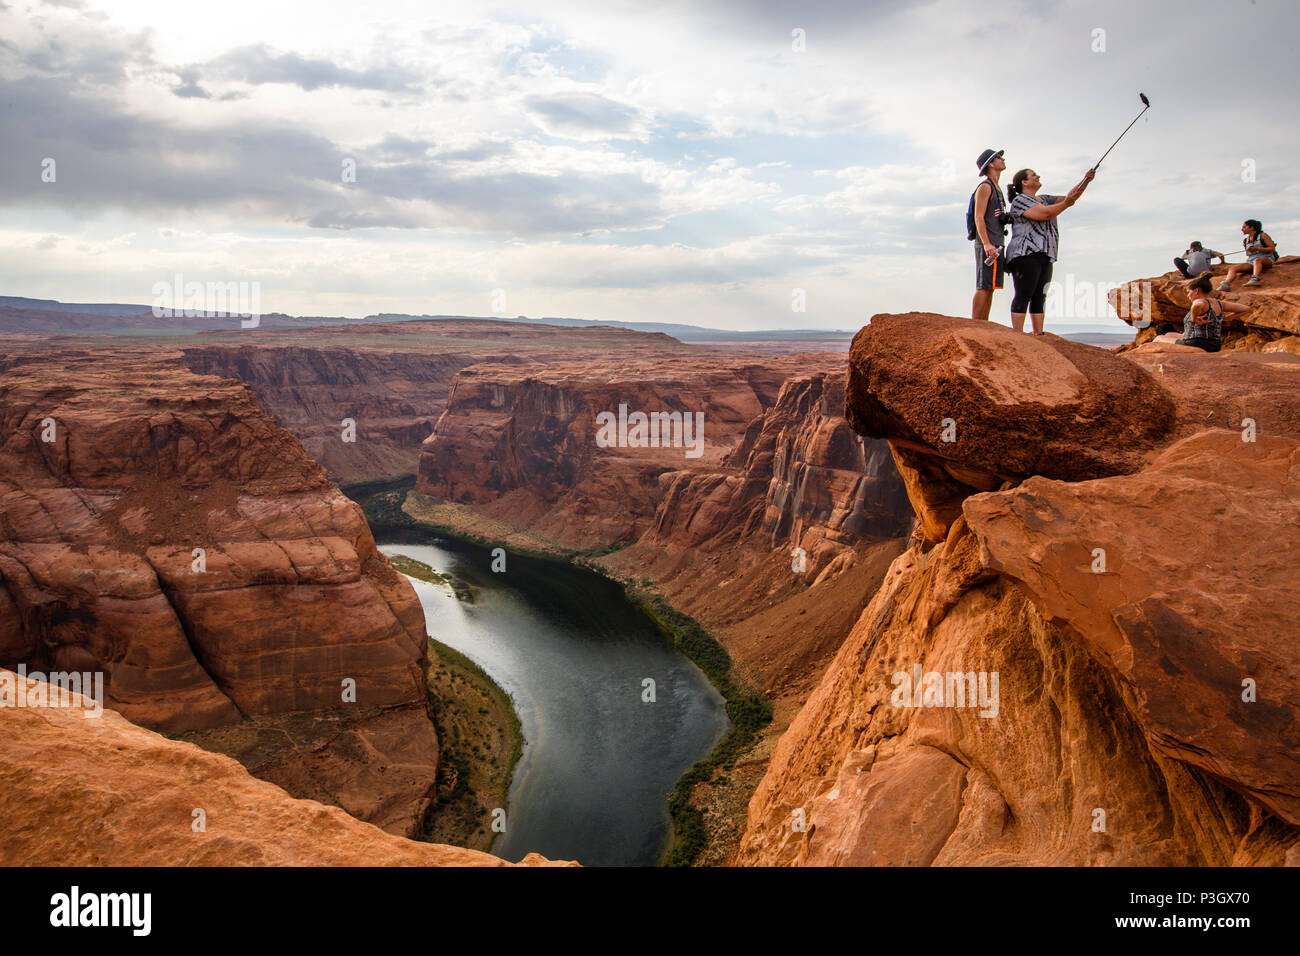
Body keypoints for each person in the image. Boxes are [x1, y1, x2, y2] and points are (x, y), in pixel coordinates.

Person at [1003, 166, 1095, 334]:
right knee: (1024, 293)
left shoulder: (1045, 198)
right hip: (1025, 254)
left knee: (1040, 295)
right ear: (1024, 182)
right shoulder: (1020, 200)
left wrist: (1085, 180)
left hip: (1045, 254)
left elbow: (1070, 198)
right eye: (1033, 175)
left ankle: (1039, 333)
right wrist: (1066, 203)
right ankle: (1017, 334)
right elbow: (1044, 214)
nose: (1037, 176)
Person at [1155, 272, 1252, 352]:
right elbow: (1245, 309)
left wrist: (1194, 318)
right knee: (1169, 335)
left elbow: (1197, 305)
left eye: (1189, 292)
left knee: (1159, 338)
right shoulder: (1219, 303)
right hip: (1215, 345)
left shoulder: (1200, 301)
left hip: (1197, 344)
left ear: (1196, 291)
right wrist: (1228, 318)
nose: (1188, 295)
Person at [970, 148, 1009, 321]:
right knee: (983, 285)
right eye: (999, 158)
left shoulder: (997, 188)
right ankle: (976, 324)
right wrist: (986, 243)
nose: (1003, 159)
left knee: (991, 286)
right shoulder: (985, 187)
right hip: (988, 243)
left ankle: (984, 323)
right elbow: (978, 217)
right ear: (991, 164)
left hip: (997, 241)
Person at [1218, 220, 1277, 289]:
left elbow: (1272, 248)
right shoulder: (1246, 240)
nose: (1242, 229)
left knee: (1257, 260)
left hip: (1266, 259)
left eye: (1244, 227)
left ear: (1251, 228)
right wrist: (1250, 250)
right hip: (1251, 261)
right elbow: (1248, 254)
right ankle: (1226, 284)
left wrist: (1258, 249)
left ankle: (1255, 279)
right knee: (1233, 268)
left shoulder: (1263, 235)